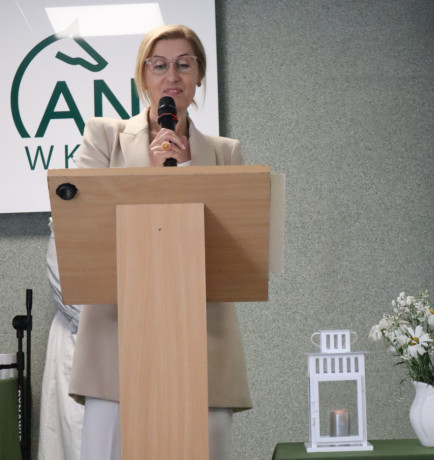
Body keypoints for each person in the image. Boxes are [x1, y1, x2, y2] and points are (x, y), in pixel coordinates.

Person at [68, 24, 252, 460]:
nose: (172, 76)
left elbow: (235, 248)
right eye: (159, 65)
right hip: (116, 341)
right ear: (143, 76)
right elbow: (83, 227)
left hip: (202, 340)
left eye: (184, 65)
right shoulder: (104, 137)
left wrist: (186, 171)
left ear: (199, 76)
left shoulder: (224, 154)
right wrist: (150, 177)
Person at [38, 223, 84, 460]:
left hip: (137, 335)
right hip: (80, 332)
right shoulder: (70, 211)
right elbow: (62, 279)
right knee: (77, 438)